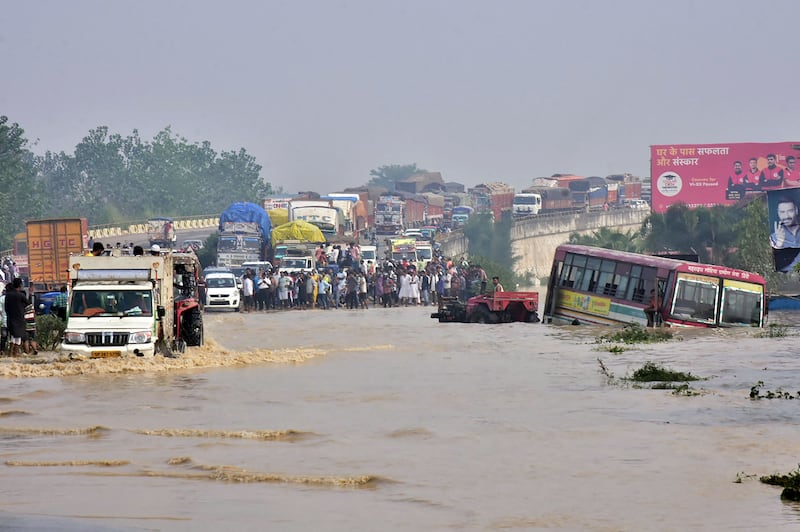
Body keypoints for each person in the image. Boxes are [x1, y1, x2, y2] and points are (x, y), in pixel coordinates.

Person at [4, 278, 28, 357]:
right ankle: (15, 353)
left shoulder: (8, 295)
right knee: (18, 336)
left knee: (13, 336)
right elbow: (28, 304)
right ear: (20, 285)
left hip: (10, 318)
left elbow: (6, 307)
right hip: (19, 318)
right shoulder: (21, 295)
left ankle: (10, 354)